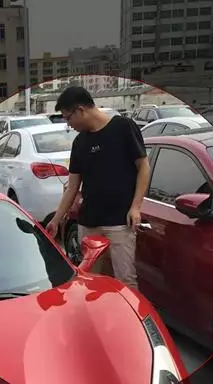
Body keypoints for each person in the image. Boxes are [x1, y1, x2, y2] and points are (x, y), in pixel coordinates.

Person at [46, 86, 150, 290]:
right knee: (89, 283)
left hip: (120, 222)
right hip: (89, 223)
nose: (69, 125)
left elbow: (144, 167)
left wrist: (136, 207)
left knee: (126, 281)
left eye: (68, 118)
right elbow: (72, 187)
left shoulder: (123, 128)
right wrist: (56, 220)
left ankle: (127, 313)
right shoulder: (79, 142)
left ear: (80, 110)